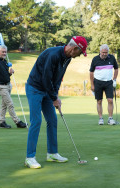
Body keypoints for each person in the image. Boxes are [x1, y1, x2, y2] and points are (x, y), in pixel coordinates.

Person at [25, 36, 88, 169]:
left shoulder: (68, 58)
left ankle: (52, 153)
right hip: (35, 88)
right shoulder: (53, 55)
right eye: (80, 52)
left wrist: (56, 96)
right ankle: (30, 157)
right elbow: (46, 78)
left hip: (48, 90)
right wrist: (54, 98)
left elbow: (57, 78)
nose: (79, 56)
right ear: (74, 48)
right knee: (36, 121)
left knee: (52, 120)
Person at [0, 45, 27, 129]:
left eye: (5, 52)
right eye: (2, 51)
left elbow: (5, 75)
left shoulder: (5, 62)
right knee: (10, 104)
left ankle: (2, 122)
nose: (4, 53)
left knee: (4, 105)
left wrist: (11, 73)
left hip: (8, 85)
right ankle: (17, 121)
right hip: (1, 86)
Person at [90, 44, 119, 125]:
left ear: (108, 52)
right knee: (99, 101)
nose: (104, 54)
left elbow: (116, 69)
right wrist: (92, 85)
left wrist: (114, 79)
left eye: (106, 52)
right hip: (98, 82)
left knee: (110, 100)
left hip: (109, 82)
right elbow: (91, 72)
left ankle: (110, 118)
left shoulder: (112, 58)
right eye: (103, 52)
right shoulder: (95, 59)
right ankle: (100, 118)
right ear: (100, 51)